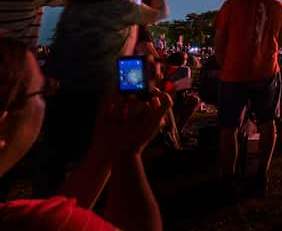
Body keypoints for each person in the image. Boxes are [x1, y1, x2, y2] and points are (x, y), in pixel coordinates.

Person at [0, 35, 171, 231]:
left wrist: (106, 147)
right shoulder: (24, 222)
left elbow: (58, 214)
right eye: (42, 89)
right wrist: (129, 155)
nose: (48, 95)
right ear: (3, 120)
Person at [37, 0, 168, 196]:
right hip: (106, 89)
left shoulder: (75, 9)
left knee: (58, 157)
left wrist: (51, 76)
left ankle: (49, 210)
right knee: (100, 153)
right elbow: (160, 13)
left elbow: (60, 46)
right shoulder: (122, 9)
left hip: (70, 88)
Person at [214, 0, 282, 196]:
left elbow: (219, 41)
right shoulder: (278, 7)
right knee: (268, 123)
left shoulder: (230, 6)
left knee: (228, 127)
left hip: (233, 73)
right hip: (265, 72)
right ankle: (260, 175)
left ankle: (228, 177)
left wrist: (225, 63)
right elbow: (281, 42)